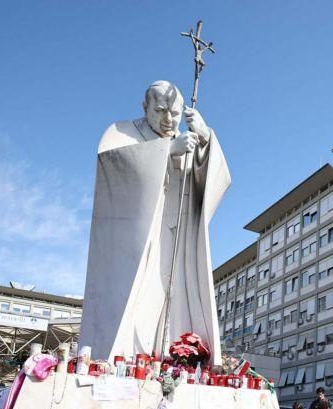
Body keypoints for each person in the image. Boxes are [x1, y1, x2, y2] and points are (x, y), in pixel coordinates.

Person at [79, 80, 230, 363]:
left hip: (179, 236)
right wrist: (167, 151)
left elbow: (213, 185)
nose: (167, 119)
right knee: (139, 300)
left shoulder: (187, 139)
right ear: (145, 106)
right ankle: (126, 356)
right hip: (140, 237)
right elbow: (113, 166)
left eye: (174, 112)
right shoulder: (122, 133)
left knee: (177, 298)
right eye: (160, 110)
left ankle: (177, 357)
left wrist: (206, 141)